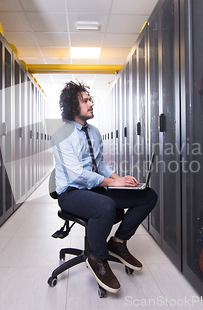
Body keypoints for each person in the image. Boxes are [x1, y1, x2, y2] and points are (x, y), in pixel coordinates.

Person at [51, 81, 157, 294]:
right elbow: (77, 174)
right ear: (73, 107)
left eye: (90, 100)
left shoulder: (95, 132)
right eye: (85, 101)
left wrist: (121, 180)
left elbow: (99, 164)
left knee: (147, 196)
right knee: (106, 206)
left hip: (95, 188)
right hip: (71, 193)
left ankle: (117, 242)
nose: (91, 104)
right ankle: (96, 257)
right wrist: (112, 183)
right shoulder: (61, 135)